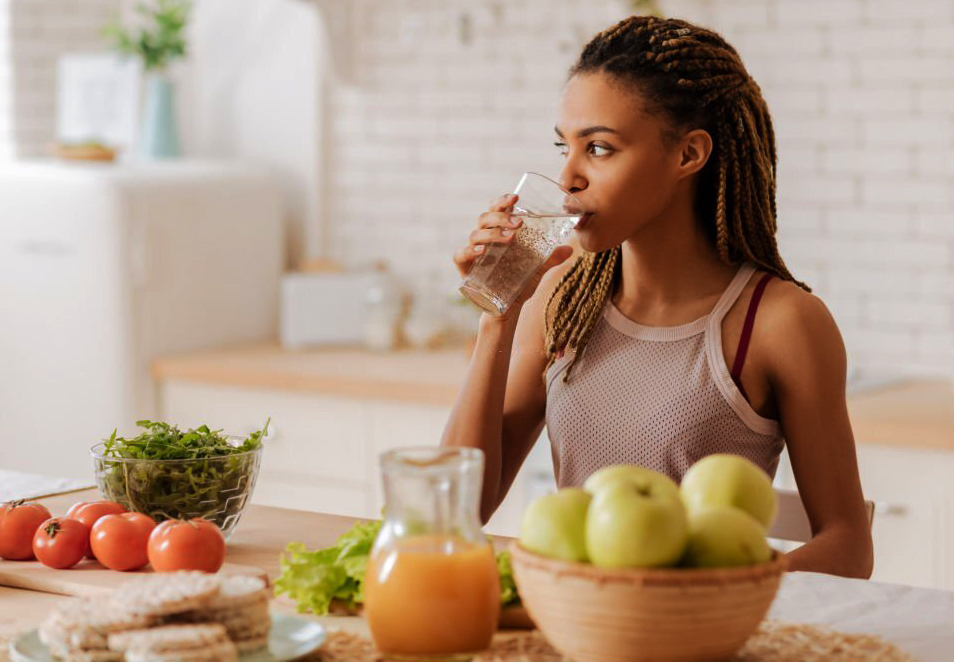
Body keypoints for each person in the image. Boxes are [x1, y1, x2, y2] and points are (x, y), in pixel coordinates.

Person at [442, 15, 873, 579]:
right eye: (563, 146)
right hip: (580, 629)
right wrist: (497, 314)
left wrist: (713, 596)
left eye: (598, 148)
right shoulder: (560, 299)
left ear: (689, 155)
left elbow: (847, 545)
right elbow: (454, 512)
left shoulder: (779, 322)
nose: (567, 175)